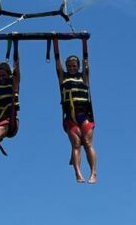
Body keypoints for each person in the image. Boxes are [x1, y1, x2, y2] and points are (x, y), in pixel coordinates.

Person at [53, 36, 97, 184]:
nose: (72, 68)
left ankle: (93, 173)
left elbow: (86, 61)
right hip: (70, 118)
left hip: (84, 116)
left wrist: (84, 42)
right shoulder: (63, 78)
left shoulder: (83, 77)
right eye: (69, 66)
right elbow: (57, 62)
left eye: (74, 66)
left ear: (77, 66)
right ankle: (78, 173)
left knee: (88, 143)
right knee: (76, 144)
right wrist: (55, 41)